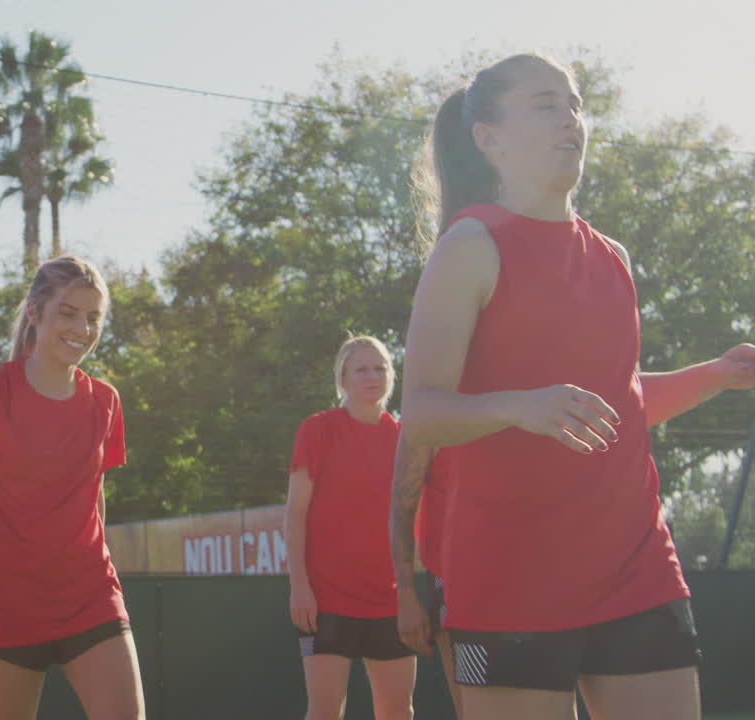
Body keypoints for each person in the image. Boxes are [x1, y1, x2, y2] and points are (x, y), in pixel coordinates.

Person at [400, 53, 755, 720]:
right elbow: (420, 415)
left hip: (638, 570)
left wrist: (715, 375)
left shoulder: (613, 256)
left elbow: (617, 404)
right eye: (544, 103)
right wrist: (519, 407)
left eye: (575, 104)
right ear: (490, 137)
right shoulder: (471, 245)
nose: (570, 118)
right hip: (510, 580)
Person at [0, 256, 145, 720]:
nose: (82, 328)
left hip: (90, 598)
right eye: (68, 313)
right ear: (35, 314)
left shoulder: (106, 401)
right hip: (1, 608)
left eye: (93, 317)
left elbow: (95, 496)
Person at [286, 335, 416, 720]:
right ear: (342, 380)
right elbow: (295, 513)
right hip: (326, 600)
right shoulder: (317, 429)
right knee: (326, 710)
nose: (372, 376)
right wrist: (299, 587)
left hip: (388, 601)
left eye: (380, 368)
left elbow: (409, 519)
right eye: (361, 369)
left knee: (398, 710)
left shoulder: (404, 438)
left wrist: (408, 596)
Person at [389, 432, 461, 718]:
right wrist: (405, 595)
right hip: (452, 584)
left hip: (525, 584)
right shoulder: (430, 418)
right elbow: (401, 509)